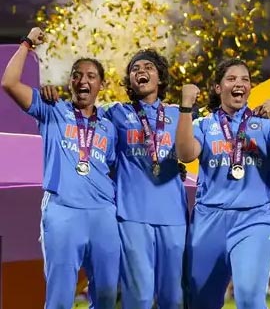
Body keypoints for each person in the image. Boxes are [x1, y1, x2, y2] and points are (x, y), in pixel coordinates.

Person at [177, 58, 270, 309]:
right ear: (218, 88)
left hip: (255, 219)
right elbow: (185, 153)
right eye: (231, 79)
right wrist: (185, 108)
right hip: (209, 220)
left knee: (249, 299)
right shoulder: (204, 125)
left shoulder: (264, 126)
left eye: (245, 79)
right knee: (201, 301)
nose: (239, 84)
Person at [1, 27, 120, 309]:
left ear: (101, 85)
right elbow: (9, 83)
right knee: (60, 297)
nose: (83, 80)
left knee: (107, 294)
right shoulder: (52, 109)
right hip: (63, 211)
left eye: (91, 76)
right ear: (70, 82)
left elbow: (115, 170)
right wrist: (27, 44)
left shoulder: (110, 126)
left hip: (103, 214)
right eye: (77, 75)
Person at [107, 49, 187, 309]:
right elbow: (82, 115)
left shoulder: (180, 115)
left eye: (148, 67)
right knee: (139, 298)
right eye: (135, 69)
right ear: (130, 81)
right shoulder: (116, 113)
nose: (141, 71)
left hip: (173, 215)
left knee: (173, 299)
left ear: (160, 78)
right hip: (132, 215)